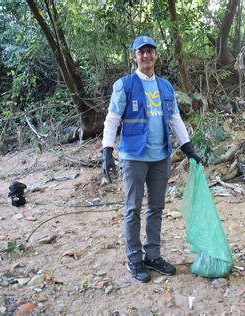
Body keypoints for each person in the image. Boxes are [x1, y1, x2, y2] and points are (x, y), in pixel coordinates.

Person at [101, 35, 201, 283]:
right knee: (133, 208)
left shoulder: (166, 87)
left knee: (156, 207)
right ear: (134, 56)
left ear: (155, 55)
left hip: (161, 156)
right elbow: (112, 119)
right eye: (141, 52)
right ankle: (134, 259)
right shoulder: (124, 85)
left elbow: (174, 119)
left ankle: (153, 255)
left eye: (150, 51)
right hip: (134, 156)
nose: (146, 56)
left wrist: (188, 147)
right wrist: (107, 150)